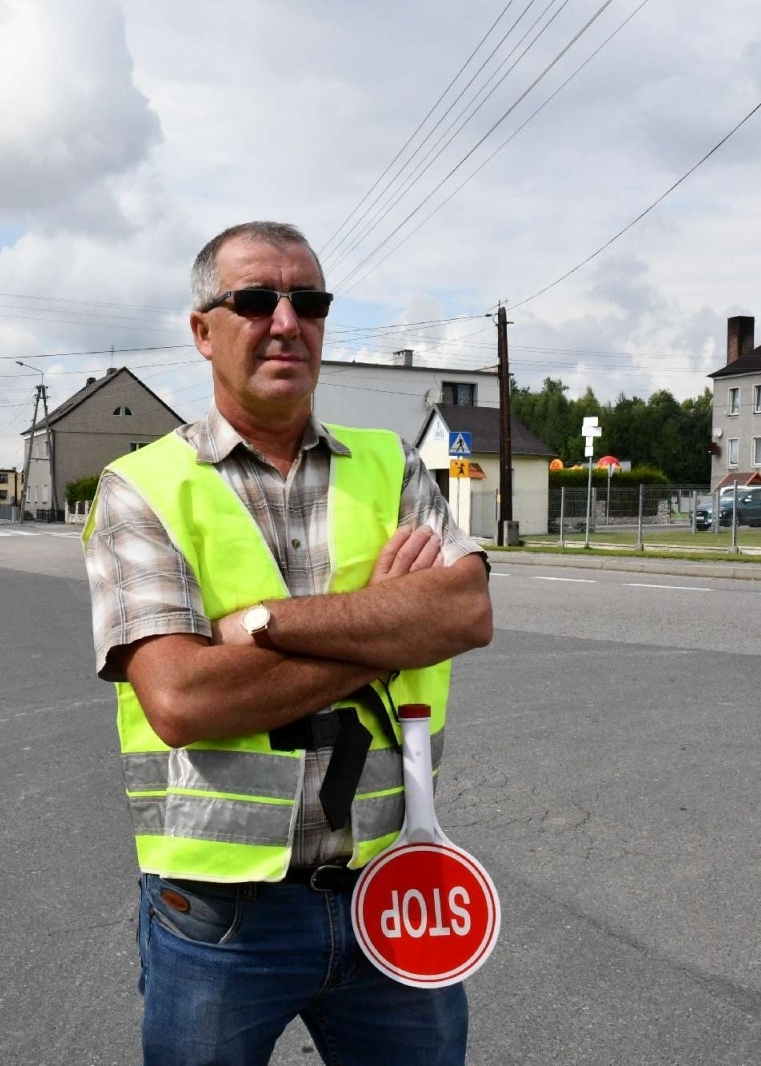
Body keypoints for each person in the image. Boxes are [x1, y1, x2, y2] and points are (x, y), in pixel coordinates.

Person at [82, 222, 493, 1066]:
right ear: (203, 330)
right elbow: (184, 700)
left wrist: (266, 626)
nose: (284, 320)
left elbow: (464, 614)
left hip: (395, 883)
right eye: (255, 300)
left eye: (307, 301)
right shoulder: (145, 488)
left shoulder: (393, 464)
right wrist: (387, 622)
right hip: (219, 918)